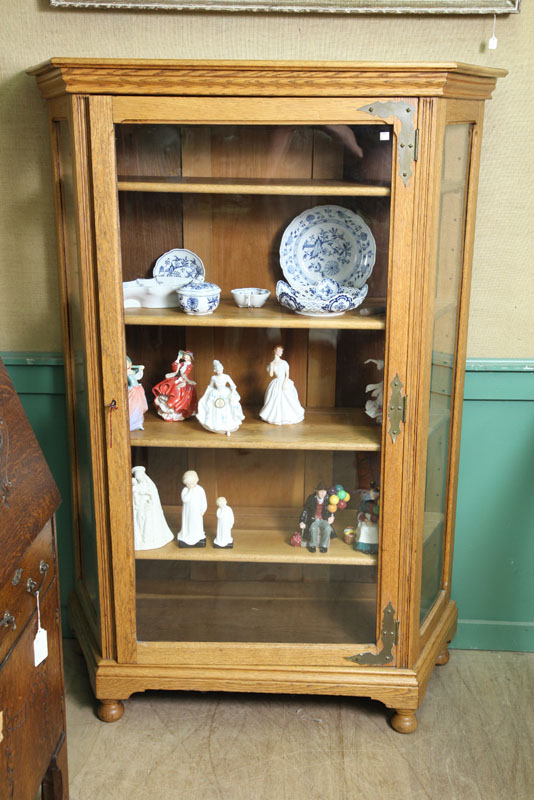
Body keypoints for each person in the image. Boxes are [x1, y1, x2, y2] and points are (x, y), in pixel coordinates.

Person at [259, 345, 305, 426]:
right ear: (275, 351)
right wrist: (272, 365)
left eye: (282, 351)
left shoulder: (284, 362)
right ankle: (275, 417)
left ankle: (288, 416)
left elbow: (287, 375)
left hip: (284, 381)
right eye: (279, 350)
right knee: (274, 398)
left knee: (288, 398)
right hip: (276, 382)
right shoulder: (271, 364)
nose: (281, 352)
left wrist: (284, 384)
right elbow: (271, 375)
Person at [197, 360, 244, 436]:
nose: (219, 372)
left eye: (221, 370)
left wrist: (232, 393)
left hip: (226, 393)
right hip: (216, 394)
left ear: (223, 369)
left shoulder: (226, 376)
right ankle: (218, 425)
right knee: (216, 409)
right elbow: (210, 386)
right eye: (218, 370)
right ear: (215, 371)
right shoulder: (213, 378)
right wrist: (206, 395)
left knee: (227, 409)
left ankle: (228, 426)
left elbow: (233, 386)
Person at [131, 466, 174, 550]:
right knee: (139, 524)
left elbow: (152, 495)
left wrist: (144, 494)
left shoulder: (149, 486)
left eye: (140, 478)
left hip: (148, 510)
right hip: (139, 509)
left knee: (147, 525)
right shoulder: (136, 487)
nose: (139, 480)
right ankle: (140, 539)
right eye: (137, 479)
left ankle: (148, 538)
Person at [152, 350, 198, 422]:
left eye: (187, 356)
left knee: (179, 390)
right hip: (178, 377)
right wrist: (178, 359)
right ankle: (169, 409)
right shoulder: (182, 363)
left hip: (184, 380)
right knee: (168, 386)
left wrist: (180, 379)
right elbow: (175, 369)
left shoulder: (190, 365)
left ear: (190, 357)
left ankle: (178, 411)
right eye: (185, 355)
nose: (185, 357)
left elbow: (185, 373)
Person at [298, 481, 336, 553]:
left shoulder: (329, 499)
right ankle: (312, 545)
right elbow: (305, 510)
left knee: (328, 528)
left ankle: (324, 545)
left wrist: (332, 516)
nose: (323, 493)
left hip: (323, 519)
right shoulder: (311, 498)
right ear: (316, 491)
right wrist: (302, 521)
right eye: (321, 491)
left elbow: (332, 509)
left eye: (324, 491)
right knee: (313, 528)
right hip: (313, 519)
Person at [177, 470, 207, 548]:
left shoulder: (200, 489)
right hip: (188, 512)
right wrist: (190, 491)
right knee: (188, 523)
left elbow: (203, 501)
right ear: (185, 483)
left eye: (192, 483)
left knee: (196, 523)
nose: (191, 485)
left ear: (196, 480)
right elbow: (185, 500)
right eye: (188, 484)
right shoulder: (185, 490)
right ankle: (187, 535)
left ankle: (197, 535)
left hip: (197, 512)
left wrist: (203, 509)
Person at [127, 356, 148, 432]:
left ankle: (138, 423)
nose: (127, 365)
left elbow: (141, 368)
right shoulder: (125, 372)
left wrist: (134, 366)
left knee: (139, 405)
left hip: (137, 389)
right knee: (131, 407)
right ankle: (131, 423)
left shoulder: (132, 371)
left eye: (128, 363)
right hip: (131, 390)